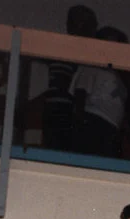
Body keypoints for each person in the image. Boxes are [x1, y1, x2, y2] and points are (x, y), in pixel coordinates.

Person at [42, 4, 97, 150]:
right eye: (80, 22)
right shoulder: (61, 50)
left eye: (87, 24)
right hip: (58, 109)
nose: (84, 28)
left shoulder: (87, 55)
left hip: (69, 111)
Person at [70, 26, 130, 157]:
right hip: (95, 123)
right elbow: (80, 93)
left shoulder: (117, 73)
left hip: (111, 128)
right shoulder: (92, 66)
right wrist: (80, 126)